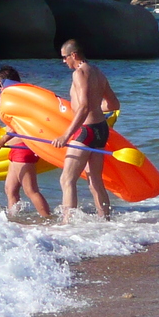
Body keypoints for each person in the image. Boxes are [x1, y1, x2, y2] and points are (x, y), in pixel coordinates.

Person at [51, 39, 120, 223]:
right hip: (101, 130)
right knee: (95, 180)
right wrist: (97, 107)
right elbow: (113, 104)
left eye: (65, 58)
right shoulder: (98, 72)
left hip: (86, 131)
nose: (64, 61)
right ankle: (106, 221)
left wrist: (66, 135)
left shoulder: (80, 73)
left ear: (73, 55)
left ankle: (68, 223)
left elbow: (83, 107)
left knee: (67, 180)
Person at [0, 67, 52, 220]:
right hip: (18, 147)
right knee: (10, 189)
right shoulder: (20, 96)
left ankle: (49, 220)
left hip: (23, 147)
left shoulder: (17, 98)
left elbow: (18, 124)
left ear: (5, 83)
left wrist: (2, 140)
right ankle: (14, 220)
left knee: (31, 190)